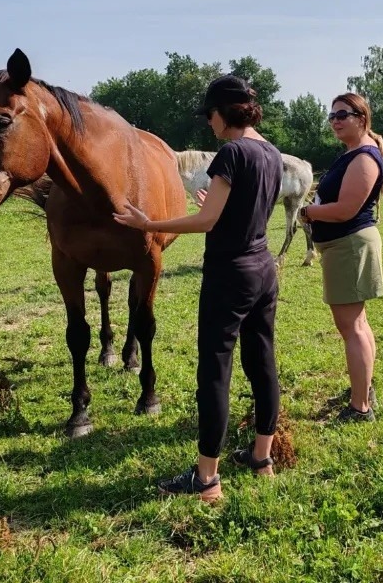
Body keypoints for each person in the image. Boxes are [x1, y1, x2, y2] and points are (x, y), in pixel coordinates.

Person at [113, 74, 283, 502]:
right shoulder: (272, 153)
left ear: (224, 113)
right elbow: (244, 210)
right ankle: (262, 457)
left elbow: (206, 223)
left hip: (230, 273)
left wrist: (148, 223)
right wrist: (215, 204)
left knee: (214, 370)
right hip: (264, 268)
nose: (208, 124)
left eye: (209, 115)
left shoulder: (231, 152)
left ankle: (207, 478)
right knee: (262, 361)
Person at [298, 93, 383, 423]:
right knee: (357, 324)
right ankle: (362, 389)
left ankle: (360, 408)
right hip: (344, 247)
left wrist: (309, 211)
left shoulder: (364, 158)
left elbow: (345, 210)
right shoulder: (354, 153)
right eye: (332, 115)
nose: (336, 120)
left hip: (349, 246)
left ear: (362, 117)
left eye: (344, 114)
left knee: (351, 327)